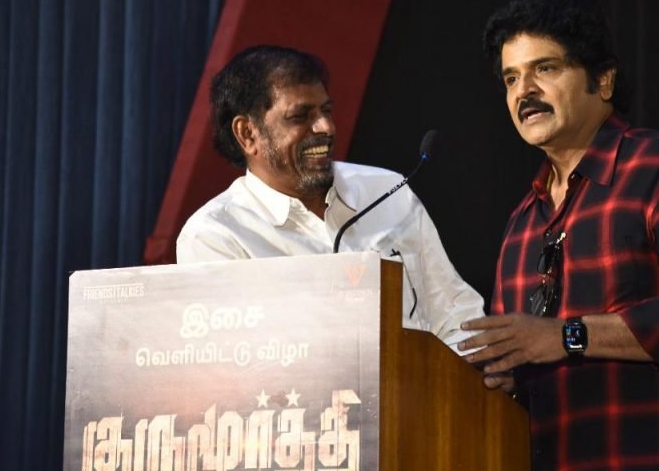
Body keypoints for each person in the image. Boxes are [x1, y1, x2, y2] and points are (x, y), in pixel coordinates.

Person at [459, 0, 659, 471]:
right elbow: (524, 356)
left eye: (545, 68)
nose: (524, 91)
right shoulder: (521, 224)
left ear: (604, 79)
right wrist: (505, 373)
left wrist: (566, 336)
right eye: (511, 78)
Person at [176, 44, 485, 346]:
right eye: (300, 116)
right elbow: (230, 361)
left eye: (326, 111)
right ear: (247, 133)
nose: (326, 127)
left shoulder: (387, 191)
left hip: (425, 380)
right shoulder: (216, 236)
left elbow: (455, 314)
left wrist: (474, 362)